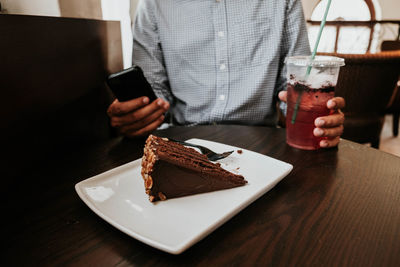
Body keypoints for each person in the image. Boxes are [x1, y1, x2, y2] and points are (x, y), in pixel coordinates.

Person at [107, 0, 345, 148]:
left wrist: (317, 120)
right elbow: (154, 97)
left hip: (262, 145)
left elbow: (293, 88)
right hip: (182, 142)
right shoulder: (153, 4)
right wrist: (139, 116)